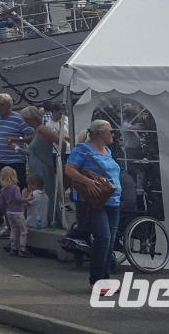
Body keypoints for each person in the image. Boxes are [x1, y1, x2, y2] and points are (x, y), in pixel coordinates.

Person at [63, 119, 123, 298]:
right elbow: (69, 169)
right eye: (110, 131)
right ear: (100, 133)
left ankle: (104, 279)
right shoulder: (82, 150)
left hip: (112, 199)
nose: (113, 134)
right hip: (93, 201)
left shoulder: (107, 151)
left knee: (110, 240)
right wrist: (87, 181)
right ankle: (96, 280)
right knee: (103, 238)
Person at [0, 94, 30, 237]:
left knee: (16, 194)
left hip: (15, 162)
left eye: (2, 105)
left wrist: (16, 139)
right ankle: (8, 226)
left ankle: (20, 225)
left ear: (9, 106)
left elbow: (31, 136)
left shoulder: (19, 119)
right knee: (2, 195)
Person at [0, 166, 29, 256]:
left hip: (9, 212)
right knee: (23, 230)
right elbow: (17, 198)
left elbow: (1, 203)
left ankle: (13, 248)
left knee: (13, 229)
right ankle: (22, 249)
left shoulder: (3, 190)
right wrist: (26, 200)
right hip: (17, 212)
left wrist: (3, 211)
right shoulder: (15, 188)